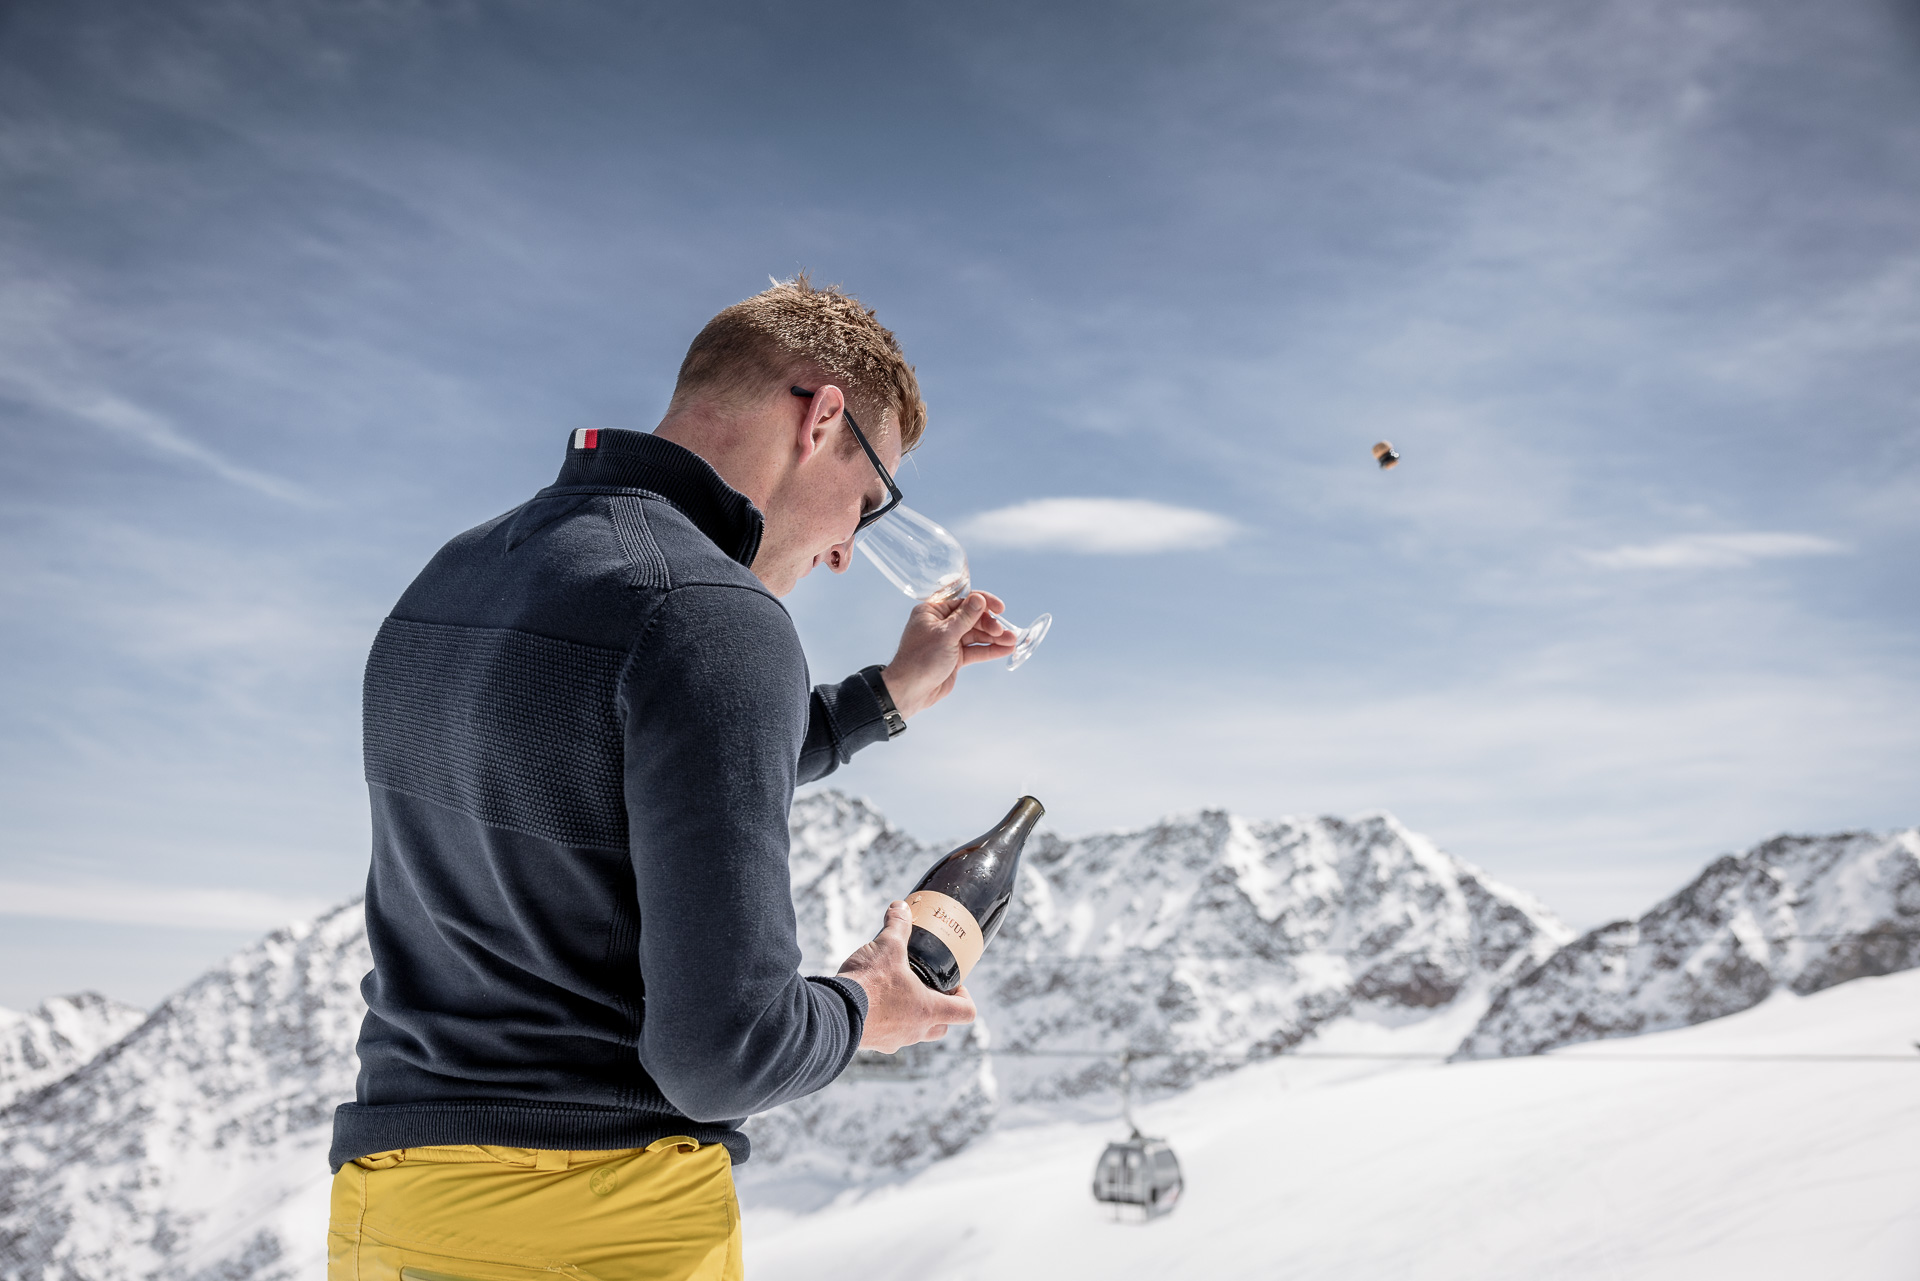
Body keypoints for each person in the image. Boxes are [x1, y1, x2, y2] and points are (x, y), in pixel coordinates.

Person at [326, 277, 1010, 1281]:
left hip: (392, 1208)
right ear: (820, 417)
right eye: (870, 502)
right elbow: (725, 1052)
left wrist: (887, 697)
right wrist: (870, 1004)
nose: (843, 554)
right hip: (602, 1224)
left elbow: (635, 768)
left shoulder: (461, 571)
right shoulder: (711, 614)